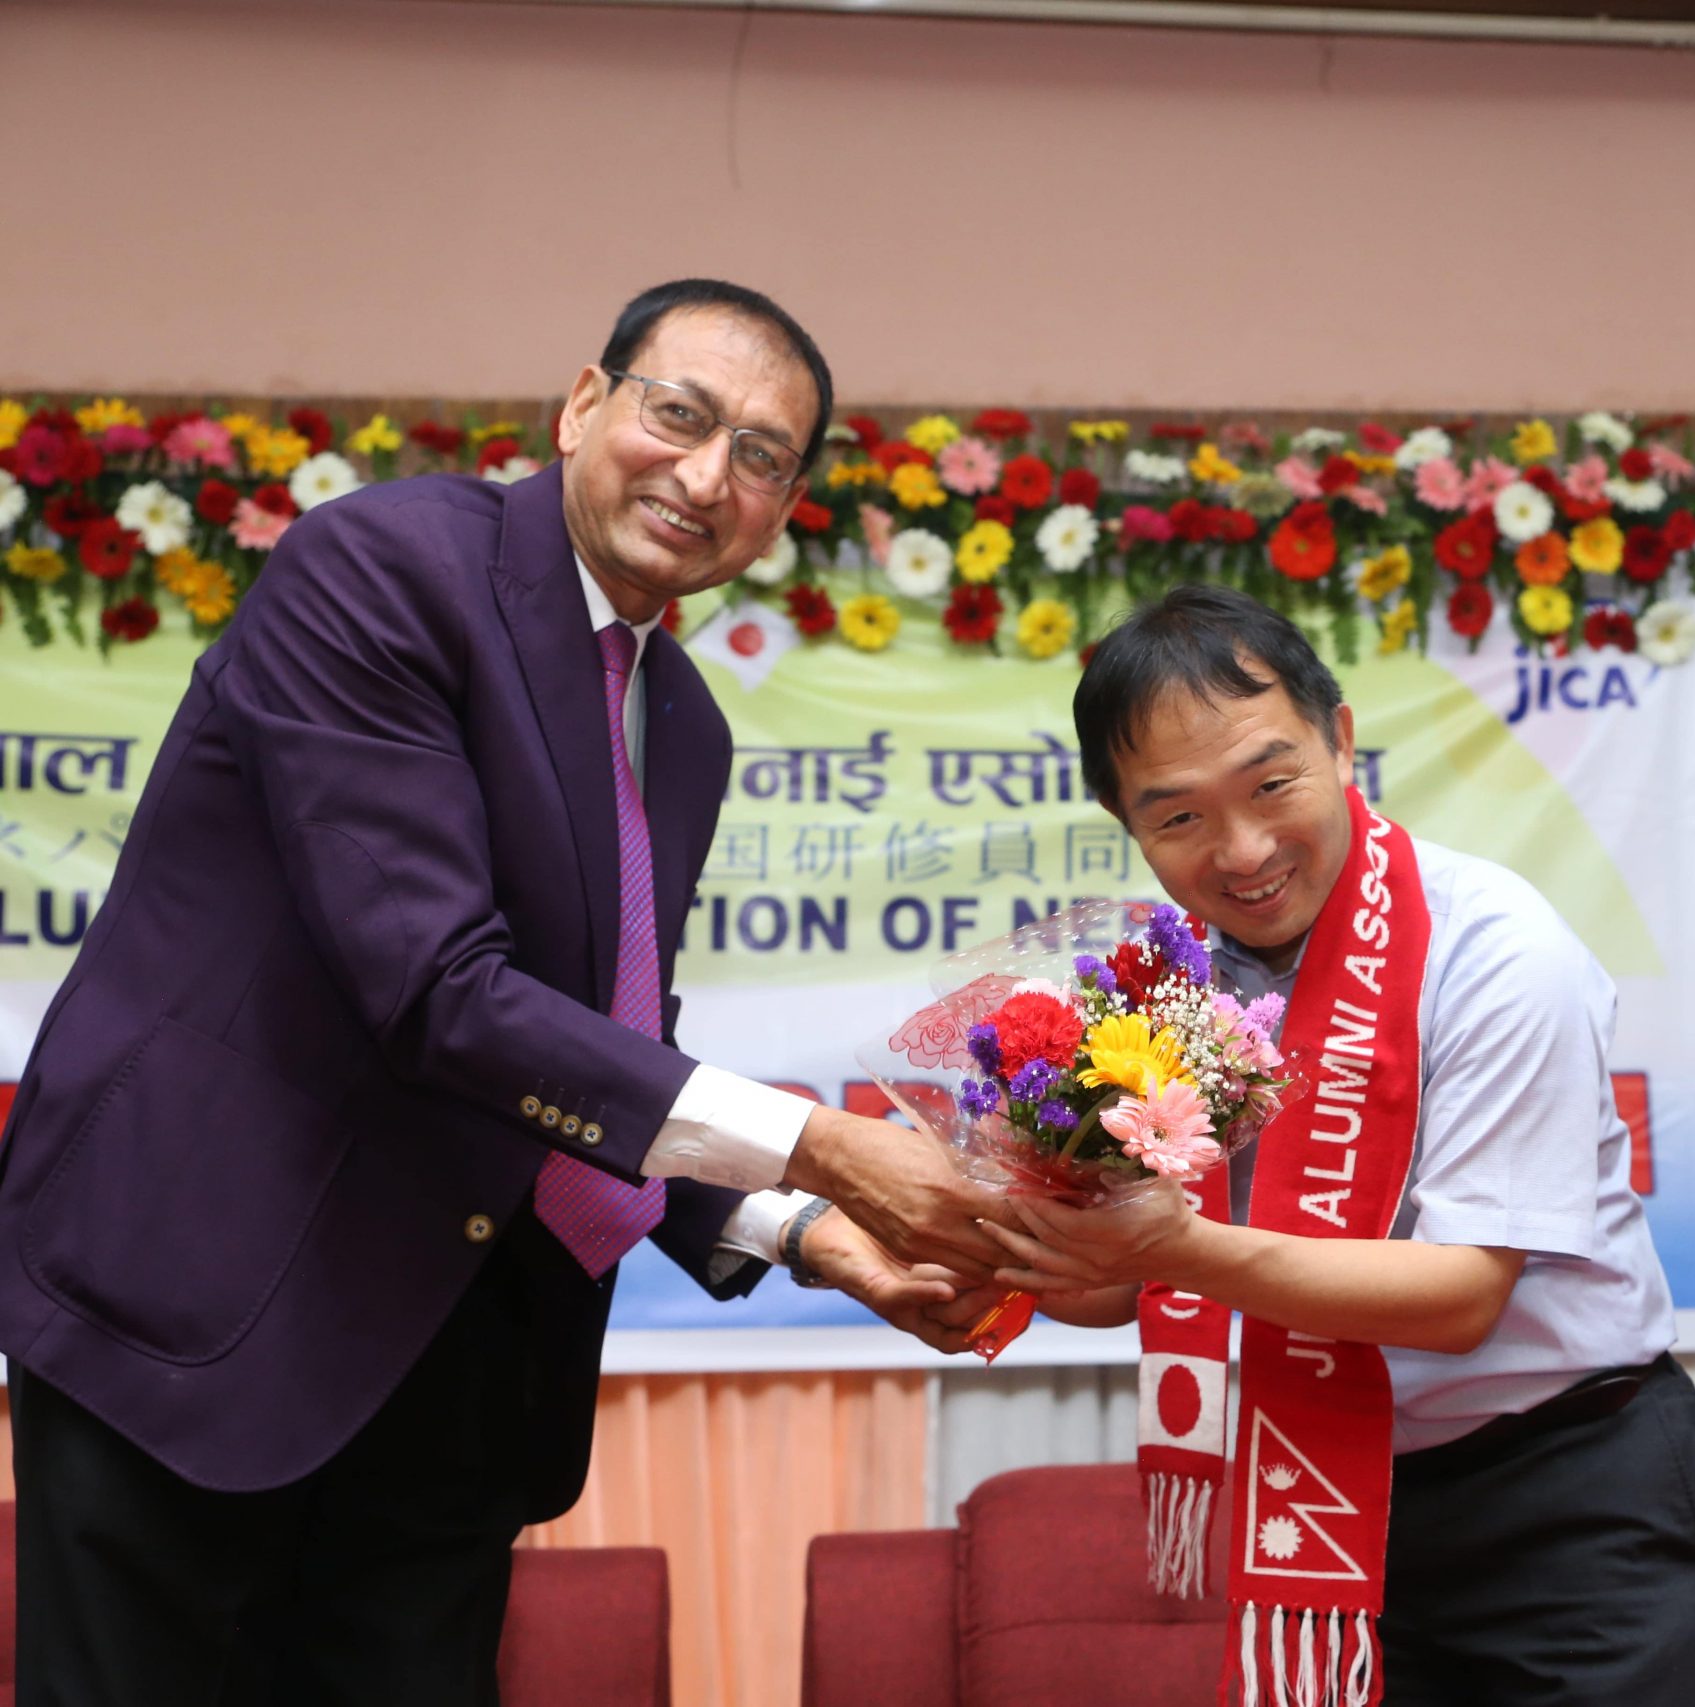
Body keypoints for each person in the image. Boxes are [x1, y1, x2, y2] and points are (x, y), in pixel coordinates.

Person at [0, 279, 1004, 1704]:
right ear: (584, 405)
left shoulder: (682, 725)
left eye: (761, 456)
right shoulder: (385, 567)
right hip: (195, 1303)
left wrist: (806, 1232)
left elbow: (598, 1049)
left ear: (784, 510)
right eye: (680, 415)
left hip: (450, 1367)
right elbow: (437, 993)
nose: (705, 476)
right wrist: (824, 1145)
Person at [945, 584, 1695, 1705]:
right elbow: (1134, 1284)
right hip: (1329, 1488)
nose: (1243, 850)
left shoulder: (1496, 953)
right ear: (1125, 822)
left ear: (1341, 739)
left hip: (1565, 1493)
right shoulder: (1159, 993)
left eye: (1272, 784)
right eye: (1178, 819)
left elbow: (1462, 1298)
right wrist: (1004, 1248)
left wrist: (1173, 1250)